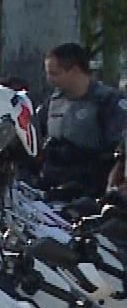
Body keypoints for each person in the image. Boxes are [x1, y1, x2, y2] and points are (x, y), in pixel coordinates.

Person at [38, 42, 127, 198]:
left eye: (54, 73)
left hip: (90, 193)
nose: (49, 79)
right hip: (51, 190)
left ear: (75, 71)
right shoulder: (52, 103)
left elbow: (119, 151)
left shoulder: (107, 101)